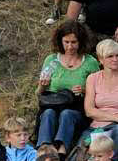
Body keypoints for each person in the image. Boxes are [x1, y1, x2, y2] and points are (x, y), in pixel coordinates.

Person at [36, 20, 99, 152]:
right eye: (67, 42)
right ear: (60, 41)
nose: (70, 47)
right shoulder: (51, 60)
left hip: (76, 106)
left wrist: (85, 90)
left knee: (67, 114)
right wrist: (42, 85)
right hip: (52, 103)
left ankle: (62, 149)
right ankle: (44, 148)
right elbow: (39, 94)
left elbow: (99, 92)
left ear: (81, 42)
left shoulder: (90, 62)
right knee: (48, 113)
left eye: (74, 42)